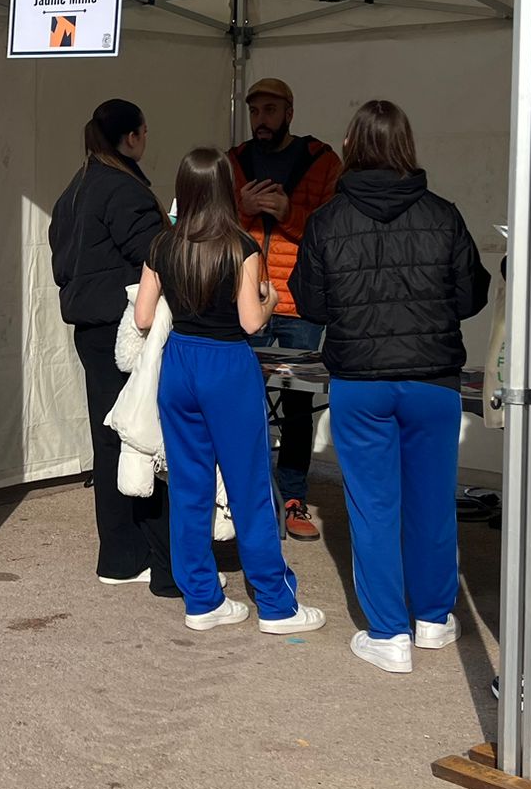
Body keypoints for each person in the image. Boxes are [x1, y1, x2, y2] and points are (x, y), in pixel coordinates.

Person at [290, 101, 489, 674]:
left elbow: (312, 303)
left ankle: (388, 635)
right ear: (407, 145)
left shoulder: (328, 220)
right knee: (431, 503)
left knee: (373, 507)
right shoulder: (443, 214)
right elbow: (470, 296)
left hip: (360, 380)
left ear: (351, 146)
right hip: (433, 380)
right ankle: (431, 619)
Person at [133, 148, 326, 635]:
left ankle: (201, 599)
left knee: (189, 486)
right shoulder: (241, 247)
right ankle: (277, 606)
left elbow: (143, 318)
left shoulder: (162, 245)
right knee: (250, 487)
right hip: (228, 365)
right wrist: (273, 298)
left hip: (179, 362)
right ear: (224, 188)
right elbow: (250, 321)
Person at [49, 99, 177, 593]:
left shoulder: (72, 191)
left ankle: (118, 554)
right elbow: (156, 255)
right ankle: (132, 552)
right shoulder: (123, 189)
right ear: (132, 137)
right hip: (124, 330)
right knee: (137, 436)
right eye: (144, 132)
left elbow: (61, 264)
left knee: (109, 438)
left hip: (89, 326)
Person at [230, 77, 341, 542]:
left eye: (270, 110)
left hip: (300, 301)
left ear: (290, 112)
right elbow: (213, 224)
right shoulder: (235, 160)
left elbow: (334, 227)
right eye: (255, 111)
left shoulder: (322, 159)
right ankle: (245, 496)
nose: (261, 120)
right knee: (240, 399)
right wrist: (241, 208)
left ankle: (293, 497)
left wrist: (286, 212)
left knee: (297, 409)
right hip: (248, 296)